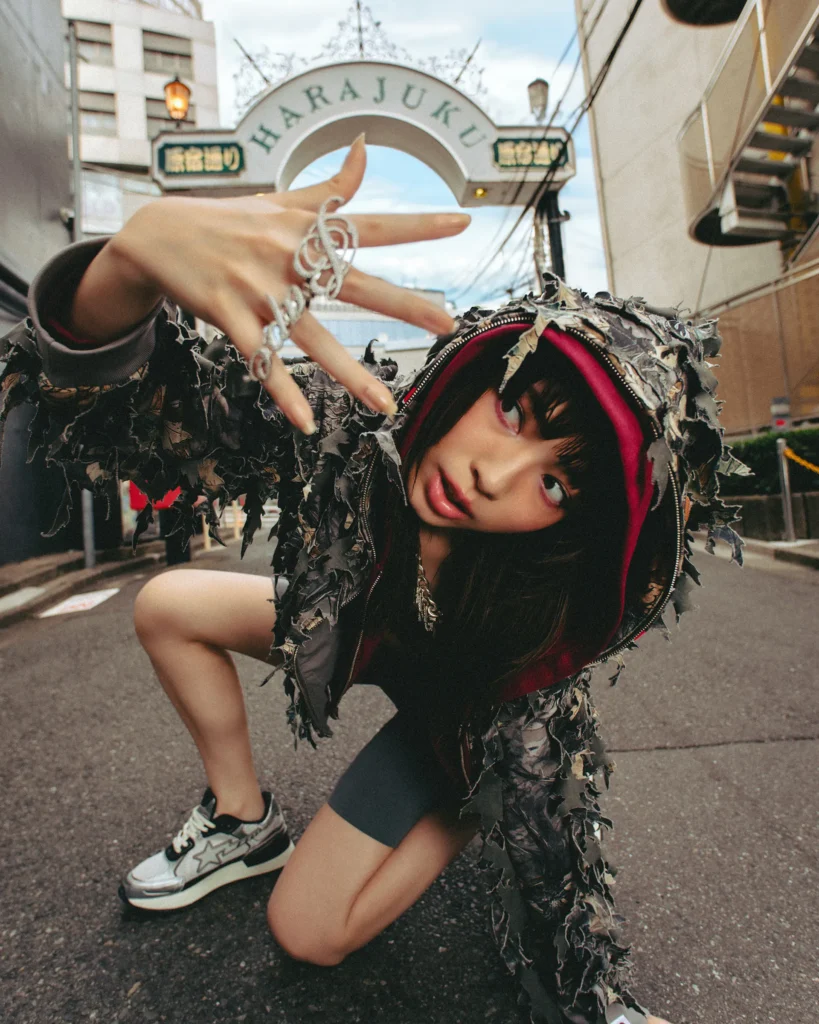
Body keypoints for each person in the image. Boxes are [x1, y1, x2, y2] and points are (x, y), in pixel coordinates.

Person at [0, 137, 744, 1024]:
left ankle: (464, 801)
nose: (492, 475)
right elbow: (145, 413)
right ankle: (242, 821)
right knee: (168, 603)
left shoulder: (533, 635)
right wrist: (128, 267)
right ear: (476, 374)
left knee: (308, 930)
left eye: (554, 486)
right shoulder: (351, 429)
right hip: (354, 638)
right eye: (514, 411)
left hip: (453, 715)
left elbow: (554, 847)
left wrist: (593, 1002)